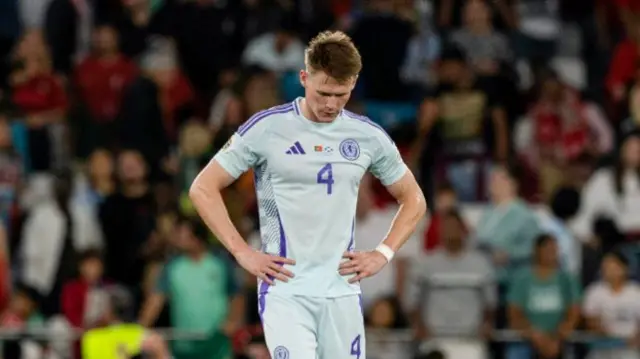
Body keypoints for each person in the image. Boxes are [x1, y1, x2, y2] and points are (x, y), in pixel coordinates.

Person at [190, 30, 426, 359]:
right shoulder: (266, 128)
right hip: (286, 290)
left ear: (354, 84)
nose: (330, 104)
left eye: (340, 94)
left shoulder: (367, 136)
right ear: (304, 78)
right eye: (323, 92)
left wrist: (383, 253)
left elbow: (414, 199)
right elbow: (202, 187)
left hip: (341, 291)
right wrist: (243, 253)